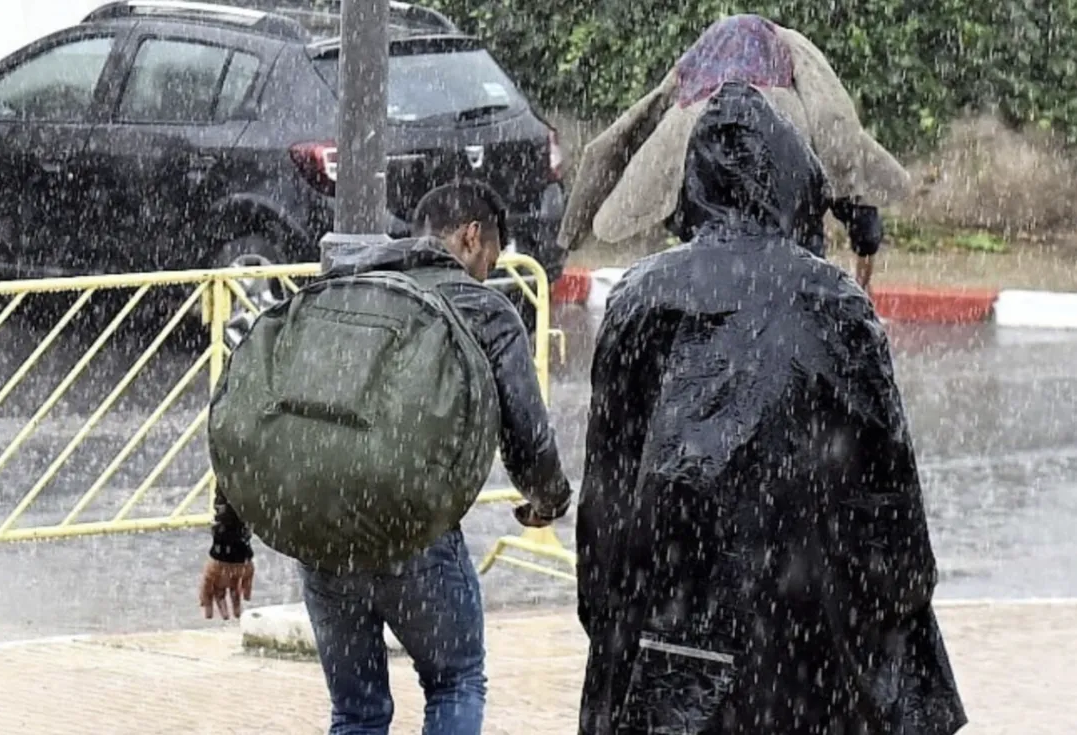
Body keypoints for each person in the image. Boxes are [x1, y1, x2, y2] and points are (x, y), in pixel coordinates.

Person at [576, 82, 966, 734]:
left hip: (672, 635)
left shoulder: (640, 296)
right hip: (808, 633)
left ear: (695, 184)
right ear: (795, 185)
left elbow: (608, 488)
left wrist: (612, 621)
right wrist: (898, 603)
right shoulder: (833, 303)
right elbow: (887, 491)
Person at [200, 180, 573, 735]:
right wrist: (548, 501)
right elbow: (527, 438)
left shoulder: (338, 289)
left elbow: (255, 416)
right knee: (455, 681)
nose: (487, 274)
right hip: (416, 535)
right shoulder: (484, 308)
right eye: (489, 261)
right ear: (472, 236)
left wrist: (230, 544)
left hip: (322, 536)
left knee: (357, 712)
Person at [559, 13, 907, 290]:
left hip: (709, 275)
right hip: (794, 273)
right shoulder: (799, 83)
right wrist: (860, 288)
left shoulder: (690, 89)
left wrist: (570, 236)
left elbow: (617, 139)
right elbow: (839, 135)